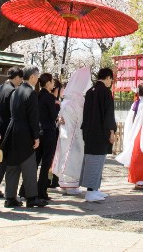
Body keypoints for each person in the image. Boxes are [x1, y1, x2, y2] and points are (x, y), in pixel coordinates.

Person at [2, 67, 46, 208]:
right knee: (29, 165)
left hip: (12, 129)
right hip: (25, 132)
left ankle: (10, 197)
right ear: (32, 77)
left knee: (13, 166)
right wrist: (36, 136)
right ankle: (31, 197)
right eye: (37, 76)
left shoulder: (15, 91)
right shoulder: (31, 93)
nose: (38, 78)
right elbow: (33, 118)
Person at [52, 67, 91, 195]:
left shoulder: (66, 100)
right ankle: (71, 185)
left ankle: (63, 182)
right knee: (73, 156)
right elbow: (82, 119)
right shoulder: (79, 101)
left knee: (63, 154)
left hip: (64, 132)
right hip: (75, 133)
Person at [80, 67, 116, 202]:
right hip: (101, 132)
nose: (110, 82)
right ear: (107, 78)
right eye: (111, 80)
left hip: (89, 132)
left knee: (92, 160)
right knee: (97, 160)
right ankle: (90, 191)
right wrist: (111, 131)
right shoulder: (105, 92)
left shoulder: (90, 91)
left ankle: (94, 189)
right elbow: (109, 115)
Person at [116, 84, 143, 189]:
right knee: (142, 157)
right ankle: (139, 180)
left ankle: (137, 179)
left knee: (136, 156)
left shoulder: (136, 104)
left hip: (136, 133)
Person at [0, 66, 25, 197]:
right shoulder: (12, 91)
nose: (21, 81)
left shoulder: (0, 88)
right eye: (21, 78)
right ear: (17, 77)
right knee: (4, 161)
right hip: (7, 129)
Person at [36, 72, 58, 201]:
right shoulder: (49, 98)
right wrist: (57, 106)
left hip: (38, 131)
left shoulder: (37, 95)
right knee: (46, 162)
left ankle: (26, 188)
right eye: (52, 82)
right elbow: (54, 115)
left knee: (35, 161)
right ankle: (41, 191)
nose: (54, 84)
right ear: (48, 83)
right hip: (48, 131)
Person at [47, 79, 63, 190]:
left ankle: (52, 179)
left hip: (53, 131)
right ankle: (53, 179)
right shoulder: (55, 102)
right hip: (54, 132)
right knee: (54, 156)